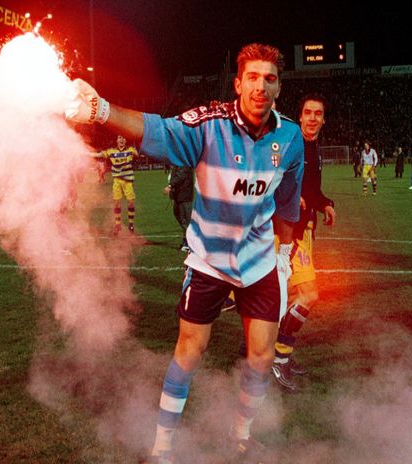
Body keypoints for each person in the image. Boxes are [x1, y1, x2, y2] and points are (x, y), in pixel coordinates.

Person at [66, 43, 304, 464]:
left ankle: (241, 436)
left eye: (269, 79)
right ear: (238, 84)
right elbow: (156, 130)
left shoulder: (290, 137)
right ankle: (162, 448)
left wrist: (283, 253)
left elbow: (287, 202)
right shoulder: (209, 125)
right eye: (252, 77)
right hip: (209, 260)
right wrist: (101, 110)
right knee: (190, 351)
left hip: (259, 262)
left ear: (279, 87)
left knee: (262, 356)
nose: (260, 87)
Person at [271, 94, 336, 393]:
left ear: (323, 120)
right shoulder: (290, 143)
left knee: (288, 296)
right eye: (307, 112)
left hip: (304, 230)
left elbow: (312, 190)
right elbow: (269, 174)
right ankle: (278, 356)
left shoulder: (314, 148)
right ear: (299, 117)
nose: (312, 118)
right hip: (288, 233)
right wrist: (287, 194)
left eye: (317, 114)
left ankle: (273, 351)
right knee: (308, 294)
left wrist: (325, 204)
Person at [97, 135, 139, 235]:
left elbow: (139, 153)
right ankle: (118, 225)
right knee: (116, 203)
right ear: (116, 140)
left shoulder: (131, 150)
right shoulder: (112, 151)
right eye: (119, 138)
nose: (121, 140)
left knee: (131, 203)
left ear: (126, 140)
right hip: (117, 181)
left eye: (123, 138)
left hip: (128, 181)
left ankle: (131, 224)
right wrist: (85, 153)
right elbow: (99, 155)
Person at [163, 165, 194, 252]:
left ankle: (189, 243)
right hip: (179, 196)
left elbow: (181, 176)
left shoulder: (184, 163)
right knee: (178, 215)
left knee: (185, 220)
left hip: (184, 196)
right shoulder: (179, 163)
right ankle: (187, 239)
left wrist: (170, 186)